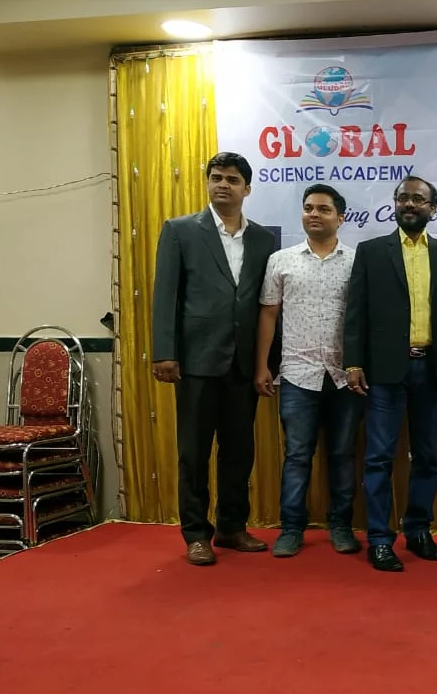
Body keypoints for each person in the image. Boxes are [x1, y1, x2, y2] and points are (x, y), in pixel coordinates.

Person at [151, 152, 277, 565]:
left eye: (233, 179)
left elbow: (267, 305)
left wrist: (267, 362)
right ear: (207, 183)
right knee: (193, 453)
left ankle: (231, 527)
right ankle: (195, 533)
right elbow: (165, 294)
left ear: (247, 189)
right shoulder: (181, 231)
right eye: (216, 177)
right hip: (196, 361)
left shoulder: (263, 240)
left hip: (243, 363)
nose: (223, 184)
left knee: (239, 451)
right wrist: (165, 353)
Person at [343, 176, 437, 572]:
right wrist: (353, 362)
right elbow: (356, 312)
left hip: (432, 370)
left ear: (433, 208)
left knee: (427, 456)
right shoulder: (371, 252)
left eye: (418, 199)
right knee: (378, 457)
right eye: (403, 198)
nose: (410, 204)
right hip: (384, 371)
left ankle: (418, 530)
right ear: (395, 204)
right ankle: (380, 539)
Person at [255, 184, 362, 559]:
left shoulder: (357, 262)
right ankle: (291, 528)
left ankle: (341, 525)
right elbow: (269, 314)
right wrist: (262, 365)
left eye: (323, 209)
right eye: (308, 208)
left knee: (343, 454)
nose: (314, 214)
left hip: (344, 376)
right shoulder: (281, 260)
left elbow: (364, 318)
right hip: (297, 374)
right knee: (297, 455)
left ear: (340, 218)